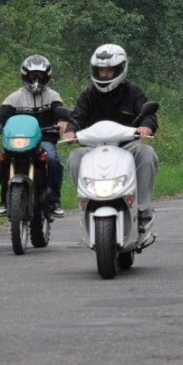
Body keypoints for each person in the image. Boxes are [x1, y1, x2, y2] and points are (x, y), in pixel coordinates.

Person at [63, 44, 158, 232]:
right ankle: (86, 204)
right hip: (94, 148)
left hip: (126, 146)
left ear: (121, 69)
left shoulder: (133, 92)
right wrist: (71, 130)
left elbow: (148, 112)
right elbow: (77, 116)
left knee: (147, 154)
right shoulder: (89, 94)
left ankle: (143, 209)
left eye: (109, 70)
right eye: (100, 70)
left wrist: (146, 125)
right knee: (74, 158)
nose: (104, 74)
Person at [0, 54, 66, 219]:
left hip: (45, 140)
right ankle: (5, 200)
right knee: (1, 164)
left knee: (54, 161)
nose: (36, 79)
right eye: (32, 76)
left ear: (47, 77)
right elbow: (0, 117)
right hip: (18, 141)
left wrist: (63, 121)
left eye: (40, 76)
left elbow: (59, 112)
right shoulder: (15, 97)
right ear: (25, 76)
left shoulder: (53, 96)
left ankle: (54, 201)